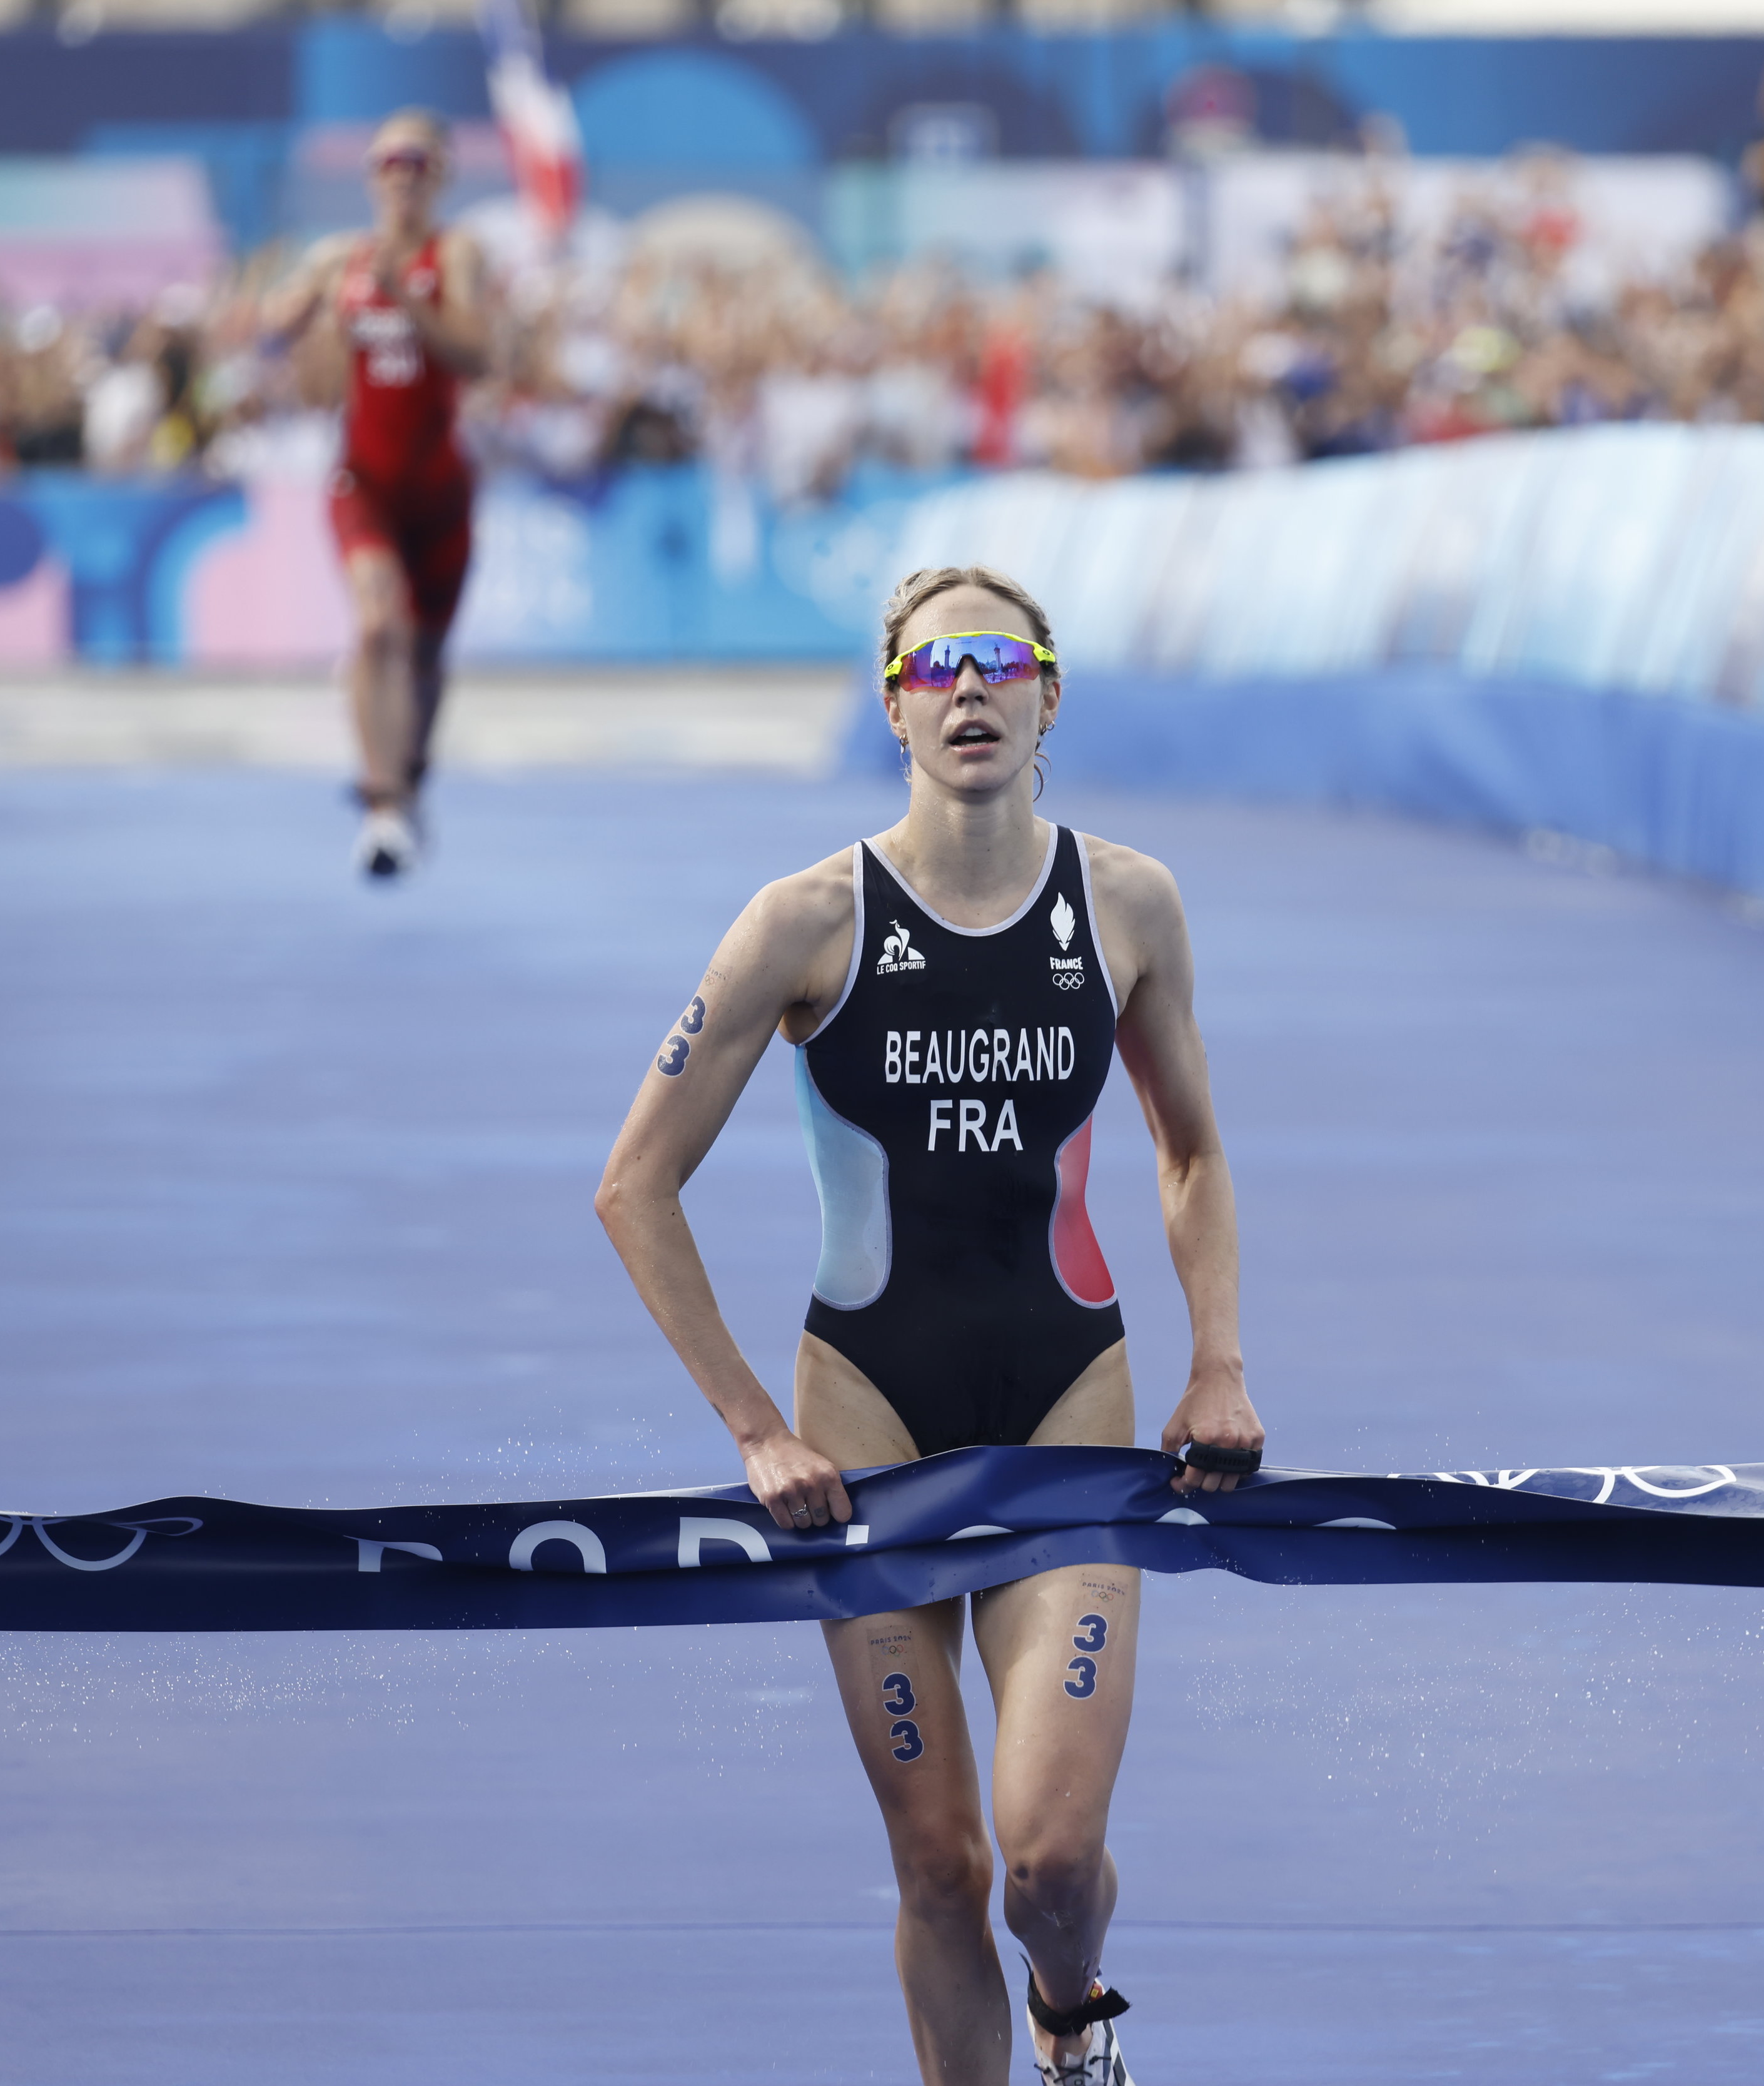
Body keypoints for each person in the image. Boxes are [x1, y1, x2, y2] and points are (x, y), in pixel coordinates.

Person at [596, 566, 1266, 2086]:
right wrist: (754, 1428)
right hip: (866, 1427)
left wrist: (1216, 1359)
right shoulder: (801, 920)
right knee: (942, 1867)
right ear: (894, 702)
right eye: (933, 664)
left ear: (1048, 694)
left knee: (1045, 1860)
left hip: (1066, 1410)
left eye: (1000, 659)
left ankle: (1074, 2018)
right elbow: (634, 1185)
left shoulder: (1128, 902)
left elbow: (1191, 1152)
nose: (969, 686)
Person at [263, 108, 490, 879]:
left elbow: (477, 355)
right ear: (370, 175)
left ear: (440, 176)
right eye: (390, 160)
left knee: (424, 653)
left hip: (439, 490)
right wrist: (290, 318)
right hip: (364, 481)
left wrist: (407, 299)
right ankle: (379, 803)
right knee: (375, 624)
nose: (403, 174)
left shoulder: (453, 254)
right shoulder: (341, 259)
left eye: (418, 161)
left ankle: (411, 778)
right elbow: (271, 326)